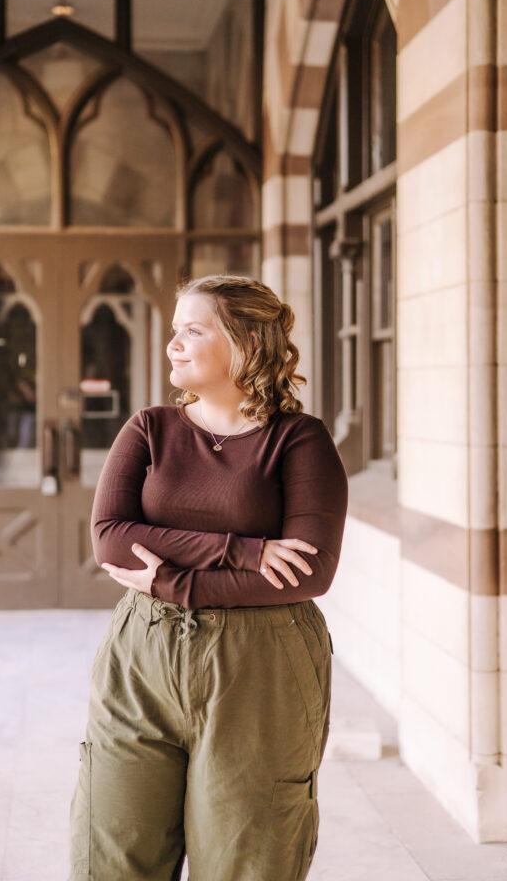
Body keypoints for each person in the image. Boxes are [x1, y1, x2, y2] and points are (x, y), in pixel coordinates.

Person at [68, 275, 348, 881]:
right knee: (112, 853)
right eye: (175, 331)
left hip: (261, 667)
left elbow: (308, 573)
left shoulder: (299, 441)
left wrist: (174, 580)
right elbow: (113, 537)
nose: (174, 344)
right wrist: (244, 552)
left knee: (247, 860)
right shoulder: (149, 429)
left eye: (194, 330)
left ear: (247, 342)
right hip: (142, 659)